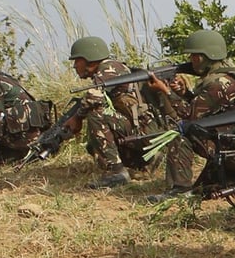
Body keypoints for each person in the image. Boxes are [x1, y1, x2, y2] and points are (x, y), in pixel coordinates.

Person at [147, 29, 235, 199]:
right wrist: (184, 92)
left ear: (207, 56)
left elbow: (190, 116)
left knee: (179, 134)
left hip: (229, 144)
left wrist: (166, 91)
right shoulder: (225, 76)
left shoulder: (219, 83)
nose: (192, 61)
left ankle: (179, 190)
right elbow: (205, 108)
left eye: (195, 56)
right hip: (232, 139)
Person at [60, 36, 160, 188]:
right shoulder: (114, 68)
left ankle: (116, 172)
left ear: (89, 58)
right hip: (142, 132)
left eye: (77, 60)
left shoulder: (109, 68)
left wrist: (77, 118)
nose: (74, 66)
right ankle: (141, 164)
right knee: (93, 144)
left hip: (144, 132)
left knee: (96, 114)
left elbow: (93, 97)